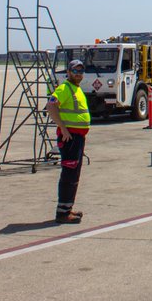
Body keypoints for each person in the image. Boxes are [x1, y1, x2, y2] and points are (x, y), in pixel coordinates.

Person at [46, 58, 91, 223]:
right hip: (70, 138)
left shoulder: (76, 88)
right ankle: (63, 213)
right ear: (69, 72)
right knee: (69, 174)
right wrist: (63, 128)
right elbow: (51, 106)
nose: (78, 74)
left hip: (77, 138)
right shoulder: (65, 88)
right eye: (75, 71)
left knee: (74, 175)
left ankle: (67, 209)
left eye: (81, 71)